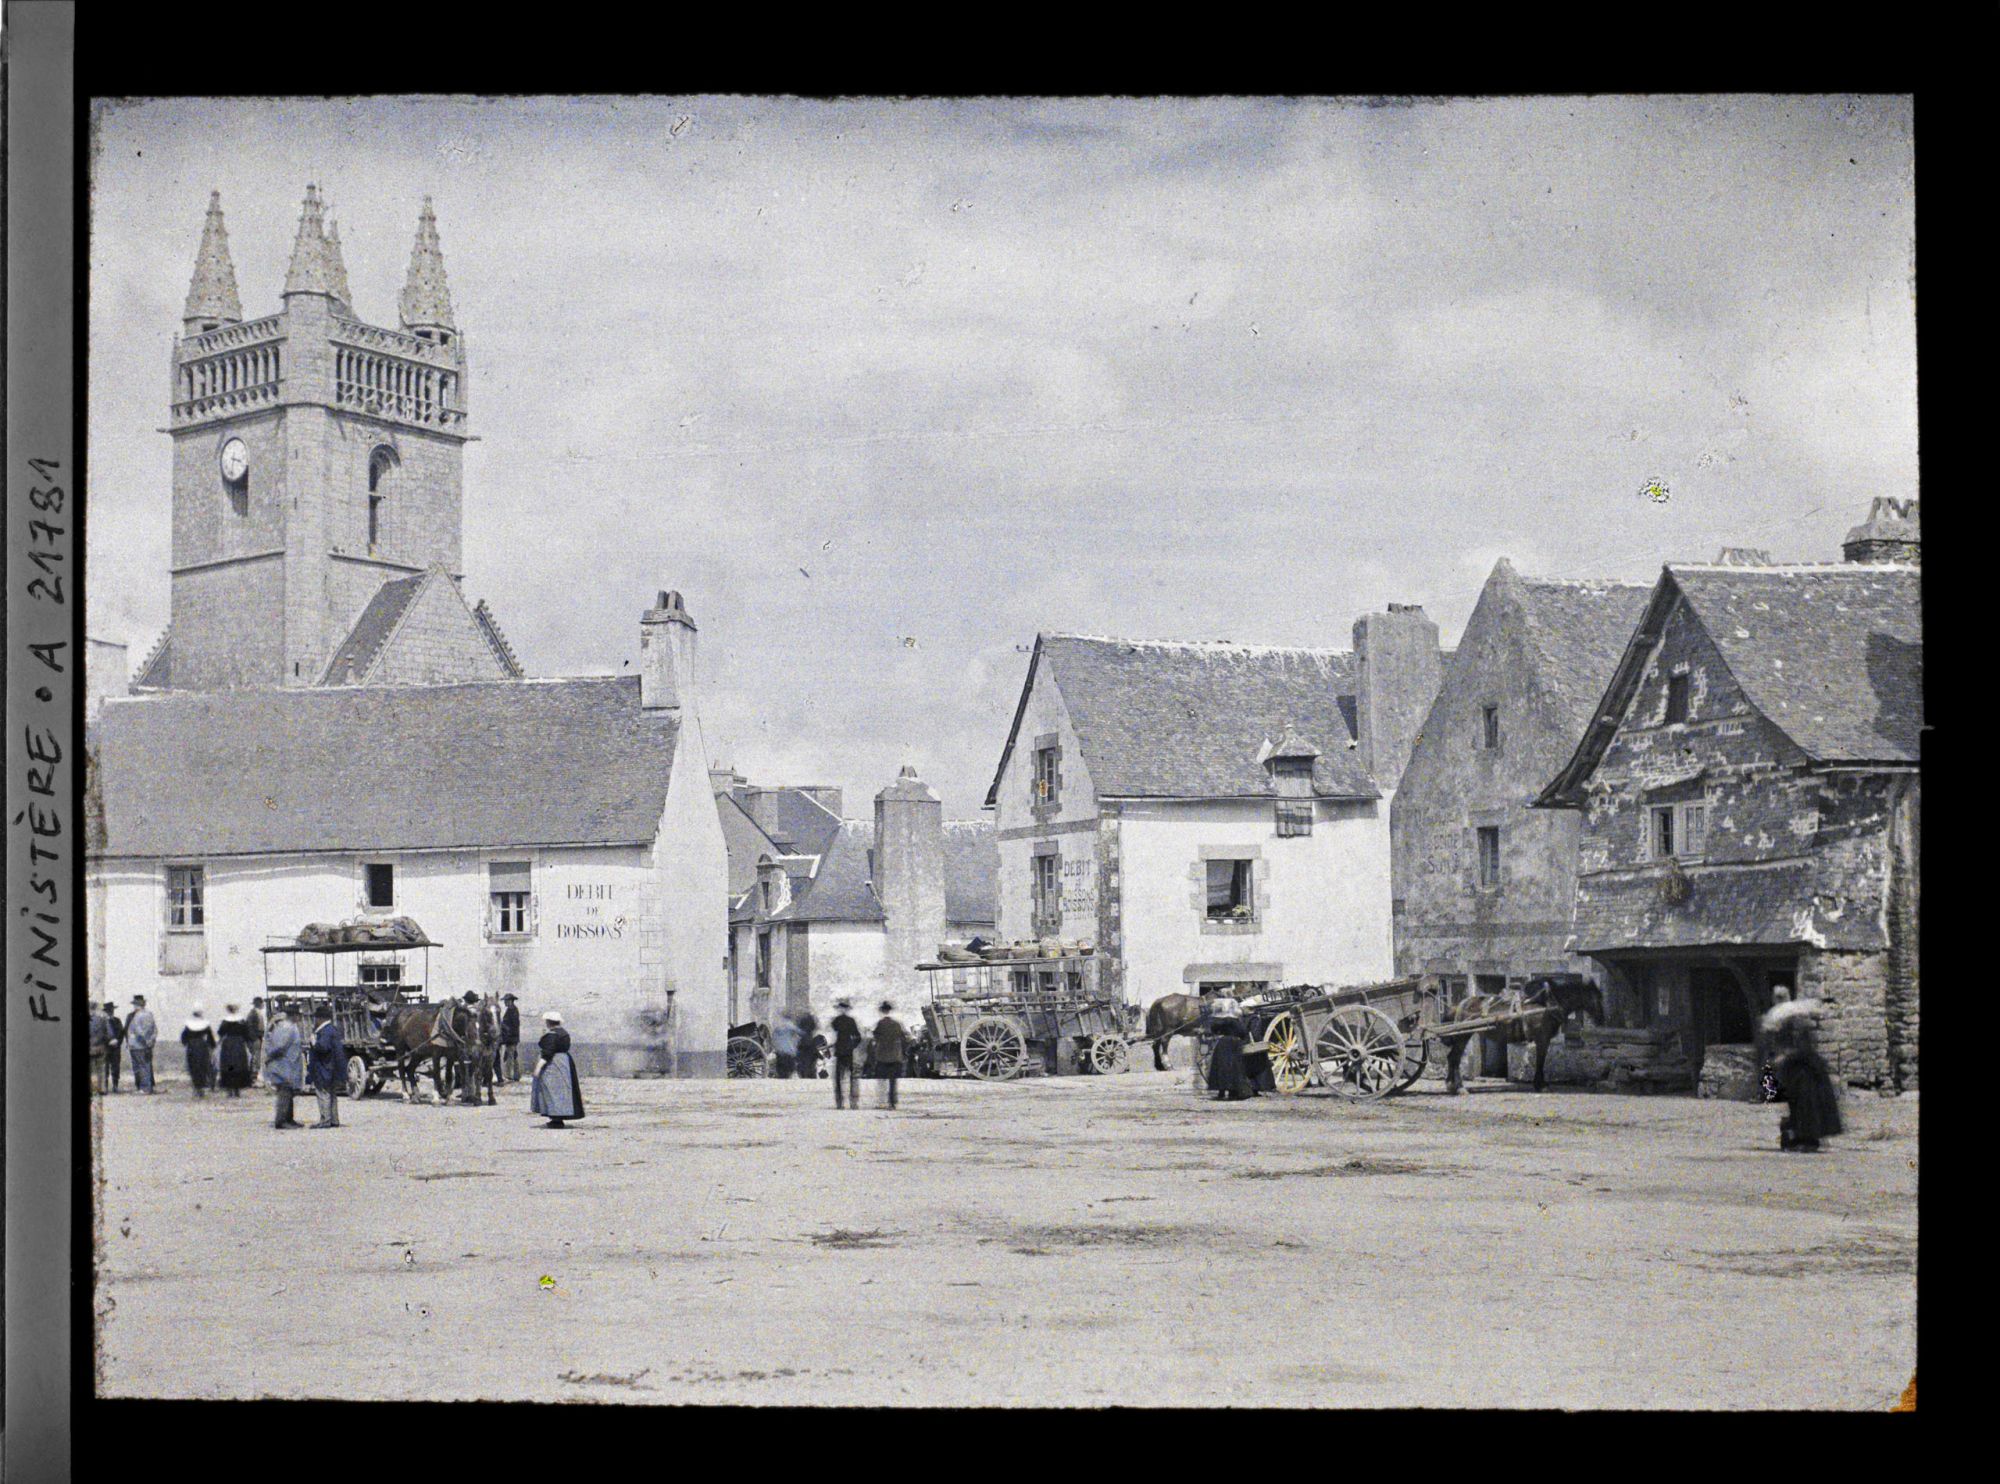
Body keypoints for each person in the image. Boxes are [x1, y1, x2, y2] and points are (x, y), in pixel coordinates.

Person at [1764, 1000, 1844, 1153]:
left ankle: (1808, 1140)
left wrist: (1788, 1056)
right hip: (1798, 1076)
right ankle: (1802, 1138)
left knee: (1807, 1109)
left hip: (1807, 1078)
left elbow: (1804, 1052)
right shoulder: (1790, 1031)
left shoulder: (1803, 1032)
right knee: (1801, 1109)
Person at [530, 1011, 585, 1128]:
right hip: (564, 1063)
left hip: (553, 1065)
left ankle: (556, 1119)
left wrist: (538, 1068)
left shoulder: (552, 1035)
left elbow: (547, 1053)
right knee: (562, 1091)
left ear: (549, 1022)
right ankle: (557, 1118)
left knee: (553, 1091)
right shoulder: (563, 1033)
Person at [263, 1006, 306, 1130]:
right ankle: (281, 1120)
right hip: (284, 1064)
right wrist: (270, 1057)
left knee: (288, 1091)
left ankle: (289, 1119)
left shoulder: (288, 1026)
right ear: (293, 1015)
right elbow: (280, 1046)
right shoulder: (286, 1027)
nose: (299, 1017)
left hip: (288, 1064)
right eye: (298, 1015)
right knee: (285, 1092)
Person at [306, 1005, 348, 1128]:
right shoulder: (332, 1030)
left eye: (316, 1018)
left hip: (324, 1069)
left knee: (323, 1094)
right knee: (332, 1095)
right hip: (332, 1069)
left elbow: (323, 1048)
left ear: (320, 1019)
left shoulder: (324, 1032)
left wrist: (314, 1042)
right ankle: (334, 1120)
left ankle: (325, 1120)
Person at [870, 1002, 908, 1110]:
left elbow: (875, 1039)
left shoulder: (879, 1024)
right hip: (895, 1056)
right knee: (893, 1081)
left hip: (882, 1056)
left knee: (881, 1080)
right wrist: (903, 1054)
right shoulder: (897, 1024)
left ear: (881, 1011)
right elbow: (904, 1039)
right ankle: (892, 1103)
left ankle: (881, 1102)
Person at [829, 999, 862, 1110]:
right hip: (848, 1052)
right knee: (852, 1078)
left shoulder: (836, 1021)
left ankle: (840, 1102)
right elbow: (858, 1037)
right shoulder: (851, 1021)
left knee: (839, 1078)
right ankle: (853, 1102)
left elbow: (834, 1030)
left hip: (840, 1051)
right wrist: (852, 1046)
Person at [216, 1003, 254, 1098]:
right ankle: (237, 1090)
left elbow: (220, 1033)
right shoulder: (242, 1022)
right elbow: (247, 1035)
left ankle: (229, 1090)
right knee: (239, 1067)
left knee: (228, 1067)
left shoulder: (225, 1021)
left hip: (228, 1045)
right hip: (239, 1045)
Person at [181, 1005, 217, 1098]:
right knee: (203, 1066)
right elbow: (210, 1038)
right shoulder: (205, 1024)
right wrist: (212, 1046)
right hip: (202, 1045)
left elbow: (183, 1038)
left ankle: (196, 1088)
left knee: (193, 1067)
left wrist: (187, 1043)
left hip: (192, 1046)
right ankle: (201, 1089)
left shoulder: (189, 1025)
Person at [127, 996, 158, 1094]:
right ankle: (148, 1087)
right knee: (147, 1065)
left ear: (137, 1005)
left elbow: (138, 1031)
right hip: (147, 1045)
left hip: (137, 1045)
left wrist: (144, 1041)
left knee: (140, 1067)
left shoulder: (137, 1016)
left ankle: (144, 1088)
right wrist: (150, 1041)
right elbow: (155, 1030)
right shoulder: (150, 1014)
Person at [89, 1003, 112, 1094]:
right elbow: (109, 1034)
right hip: (101, 1048)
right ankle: (102, 1088)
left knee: (90, 1070)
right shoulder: (102, 1019)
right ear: (95, 1009)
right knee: (101, 1069)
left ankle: (91, 1089)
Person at [771, 1013, 802, 1079]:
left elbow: (773, 1038)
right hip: (788, 1051)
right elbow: (800, 1033)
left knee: (781, 1070)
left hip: (779, 1051)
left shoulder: (778, 1027)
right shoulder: (790, 1026)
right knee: (789, 1068)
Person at [104, 1003, 127, 1093]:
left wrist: (117, 1041)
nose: (110, 1012)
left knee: (116, 1068)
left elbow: (121, 1033)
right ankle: (105, 1087)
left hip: (116, 1049)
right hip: (105, 1048)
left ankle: (115, 1086)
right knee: (104, 1068)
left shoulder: (117, 1021)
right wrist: (108, 1042)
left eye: (112, 1010)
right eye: (108, 1010)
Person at [500, 994, 522, 1081]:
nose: (505, 1002)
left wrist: (503, 1025)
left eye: (506, 1001)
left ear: (510, 1001)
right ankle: (516, 1075)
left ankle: (509, 1076)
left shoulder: (512, 1010)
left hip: (511, 1038)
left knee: (510, 1056)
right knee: (513, 1056)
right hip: (513, 1037)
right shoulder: (513, 1010)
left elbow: (514, 1025)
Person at [796, 1010, 821, 1080]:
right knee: (811, 1060)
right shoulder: (811, 1035)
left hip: (803, 1044)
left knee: (803, 1061)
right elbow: (816, 1027)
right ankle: (810, 1073)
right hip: (810, 1043)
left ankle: (804, 1073)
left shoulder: (802, 1037)